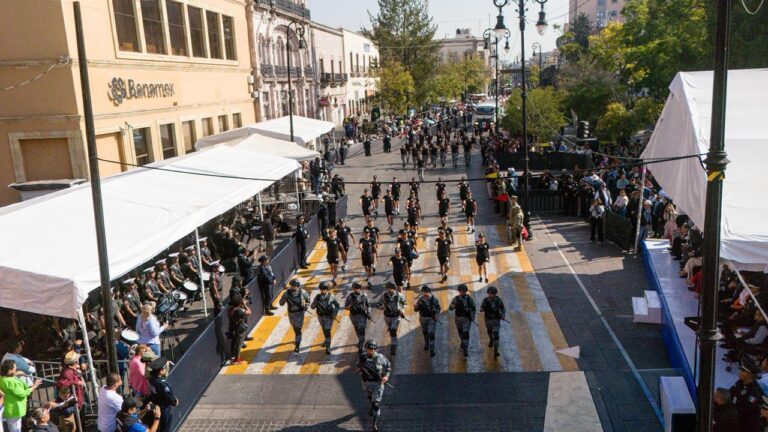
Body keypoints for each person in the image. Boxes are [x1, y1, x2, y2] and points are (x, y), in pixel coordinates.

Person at [355, 340, 390, 432]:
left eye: (373, 349)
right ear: (366, 349)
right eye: (369, 349)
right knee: (370, 397)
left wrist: (386, 377)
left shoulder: (380, 357)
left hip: (378, 384)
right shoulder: (362, 357)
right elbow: (356, 369)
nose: (371, 351)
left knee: (376, 404)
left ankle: (374, 424)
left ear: (375, 349)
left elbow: (388, 367)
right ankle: (372, 405)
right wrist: (360, 368)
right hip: (366, 383)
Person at [1, 359, 42, 432]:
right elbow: (22, 393)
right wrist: (34, 386)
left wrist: (15, 374)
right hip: (15, 409)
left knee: (15, 426)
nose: (16, 368)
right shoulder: (11, 382)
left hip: (11, 408)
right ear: (9, 371)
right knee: (15, 429)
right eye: (14, 367)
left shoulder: (2, 378)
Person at [730, 357, 763, 432]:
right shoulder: (739, 384)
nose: (739, 372)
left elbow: (746, 413)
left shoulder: (754, 392)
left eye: (742, 370)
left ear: (749, 374)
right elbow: (729, 395)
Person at [146, 357, 177, 432]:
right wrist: (175, 401)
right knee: (165, 428)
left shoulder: (152, 379)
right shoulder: (162, 383)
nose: (166, 369)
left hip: (157, 404)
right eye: (165, 368)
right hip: (164, 408)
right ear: (160, 371)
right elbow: (168, 397)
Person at [279, 280, 310, 353]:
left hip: (300, 313)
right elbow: (281, 303)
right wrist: (285, 299)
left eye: (294, 286)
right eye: (292, 285)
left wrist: (306, 306)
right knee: (294, 327)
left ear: (297, 286)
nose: (293, 287)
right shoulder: (286, 293)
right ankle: (297, 337)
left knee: (298, 329)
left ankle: (297, 346)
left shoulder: (302, 292)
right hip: (291, 314)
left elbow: (308, 299)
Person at [311, 282, 340, 355]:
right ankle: (326, 341)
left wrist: (334, 314)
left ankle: (328, 347)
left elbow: (337, 305)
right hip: (320, 316)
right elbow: (312, 306)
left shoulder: (331, 297)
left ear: (327, 290)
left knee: (327, 330)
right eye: (321, 289)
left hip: (329, 316)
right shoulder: (317, 297)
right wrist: (314, 305)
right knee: (324, 329)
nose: (322, 291)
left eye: (324, 289)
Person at [378, 282, 406, 355]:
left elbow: (404, 303)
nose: (389, 290)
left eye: (390, 288)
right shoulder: (383, 296)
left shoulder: (399, 295)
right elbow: (378, 304)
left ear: (394, 288)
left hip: (396, 316)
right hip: (387, 316)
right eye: (387, 288)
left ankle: (393, 344)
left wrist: (402, 311)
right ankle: (392, 334)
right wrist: (381, 307)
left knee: (393, 330)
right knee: (391, 329)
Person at [449, 284, 476, 357]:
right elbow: (450, 307)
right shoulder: (456, 299)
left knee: (466, 334)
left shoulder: (469, 299)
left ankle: (465, 350)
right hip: (458, 318)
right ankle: (462, 341)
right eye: (461, 291)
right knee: (460, 332)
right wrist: (453, 306)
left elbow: (473, 308)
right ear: (459, 291)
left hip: (467, 319)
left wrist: (472, 317)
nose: (462, 293)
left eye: (463, 291)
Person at [413, 286, 441, 357]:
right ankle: (426, 343)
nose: (425, 293)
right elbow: (416, 310)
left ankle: (432, 349)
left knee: (431, 334)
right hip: (423, 318)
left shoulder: (434, 299)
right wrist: (415, 307)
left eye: (426, 292)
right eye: (424, 292)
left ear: (429, 292)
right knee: (425, 332)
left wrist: (437, 316)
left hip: (431, 318)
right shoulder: (420, 299)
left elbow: (438, 308)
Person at [480, 286, 505, 358]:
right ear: (488, 293)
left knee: (496, 335)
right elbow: (481, 309)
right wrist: (483, 308)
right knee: (489, 332)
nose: (492, 295)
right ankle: (491, 339)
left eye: (494, 294)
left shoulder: (498, 300)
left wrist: (503, 315)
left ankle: (495, 352)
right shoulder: (485, 300)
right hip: (488, 320)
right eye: (491, 293)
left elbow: (502, 308)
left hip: (496, 320)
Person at [345, 283, 372, 352]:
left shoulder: (364, 295)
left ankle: (361, 345)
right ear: (353, 289)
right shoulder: (350, 296)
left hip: (362, 316)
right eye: (355, 288)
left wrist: (368, 312)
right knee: (357, 329)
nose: (356, 290)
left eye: (358, 288)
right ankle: (361, 341)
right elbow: (346, 306)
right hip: (353, 316)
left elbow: (368, 305)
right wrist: (349, 306)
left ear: (360, 288)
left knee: (361, 330)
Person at [227, 294, 251, 365]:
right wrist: (245, 305)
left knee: (235, 342)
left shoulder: (231, 309)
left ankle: (234, 356)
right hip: (240, 329)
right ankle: (236, 359)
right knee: (239, 343)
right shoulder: (239, 310)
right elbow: (249, 312)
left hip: (234, 327)